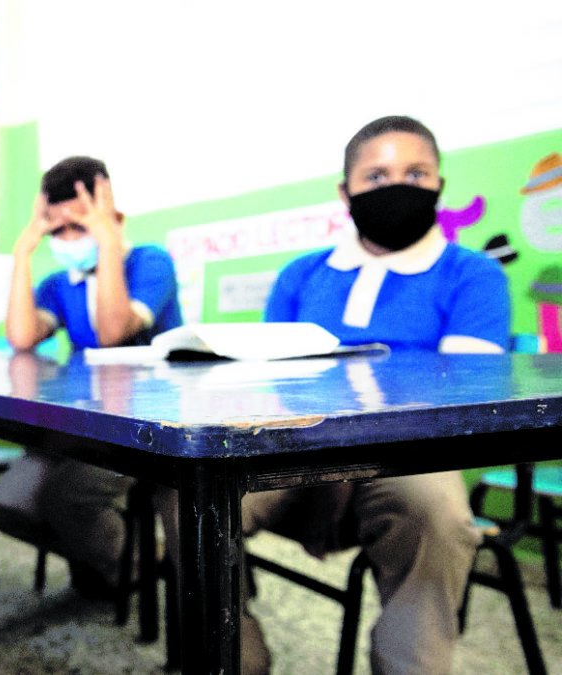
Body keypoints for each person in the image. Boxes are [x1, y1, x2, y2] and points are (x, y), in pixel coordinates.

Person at [163, 115, 510, 675]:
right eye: (376, 176)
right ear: (344, 192)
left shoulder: (472, 275)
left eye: (416, 172)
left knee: (437, 514)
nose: (396, 186)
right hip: (295, 453)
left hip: (410, 460)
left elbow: (470, 391)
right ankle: (233, 659)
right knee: (187, 496)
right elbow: (266, 377)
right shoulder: (301, 275)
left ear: (440, 184)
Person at [0, 156, 182, 597]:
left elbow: (112, 332)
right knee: (7, 505)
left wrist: (108, 242)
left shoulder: (151, 263)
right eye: (59, 231)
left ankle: (123, 567)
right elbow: (21, 336)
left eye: (83, 227)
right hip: (81, 422)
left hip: (144, 428)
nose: (71, 240)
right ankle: (136, 563)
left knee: (68, 498)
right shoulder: (60, 283)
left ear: (115, 220)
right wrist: (23, 252)